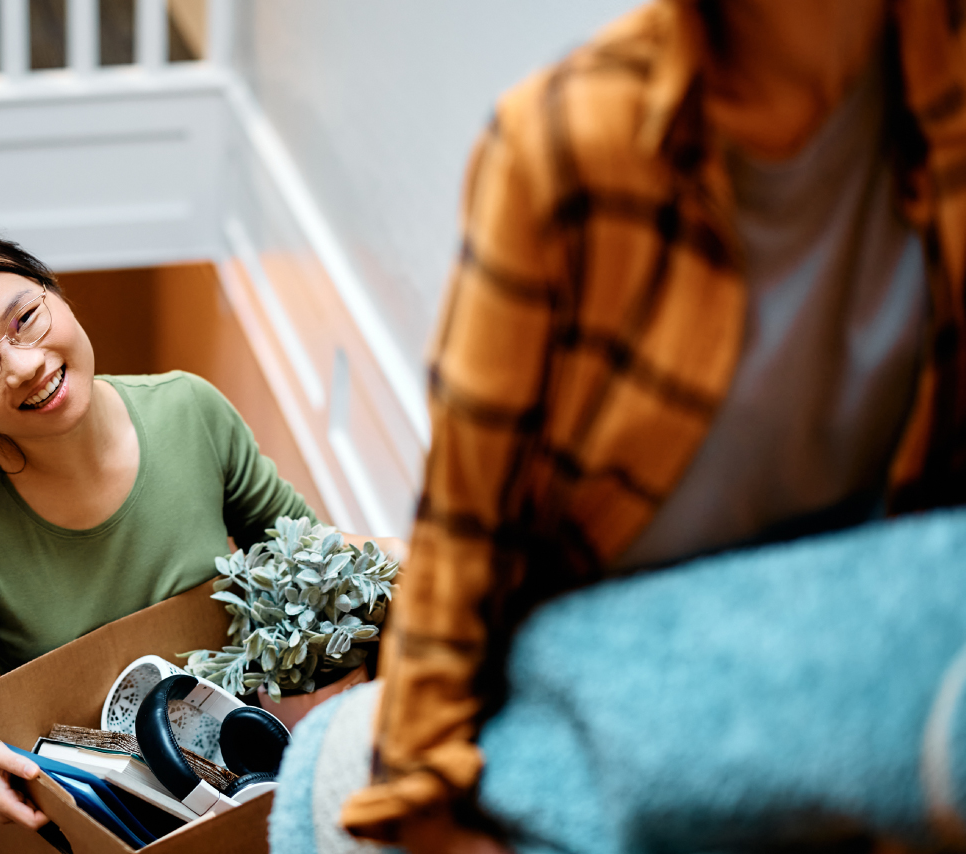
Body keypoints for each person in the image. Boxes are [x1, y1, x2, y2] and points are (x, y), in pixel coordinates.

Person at [340, 0, 966, 850]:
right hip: (619, 734)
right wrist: (424, 802)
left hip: (865, 710)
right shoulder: (562, 150)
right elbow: (462, 531)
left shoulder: (939, 93)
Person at [0, 227, 402, 844]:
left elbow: (299, 545)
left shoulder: (191, 413)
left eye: (24, 318)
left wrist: (413, 559)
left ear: (54, 290)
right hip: (60, 809)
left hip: (214, 777)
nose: (23, 365)